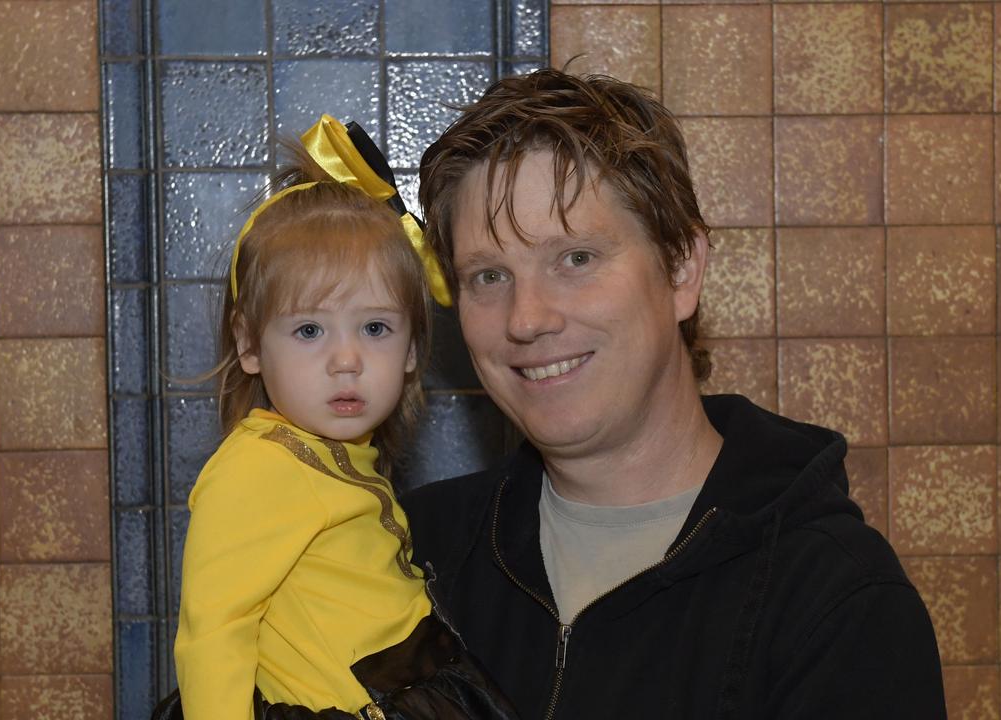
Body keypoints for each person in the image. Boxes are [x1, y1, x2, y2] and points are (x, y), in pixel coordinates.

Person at [401, 69, 947, 718]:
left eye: (575, 259)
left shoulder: (836, 599)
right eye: (489, 275)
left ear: (682, 268)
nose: (527, 318)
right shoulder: (410, 556)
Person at [162, 116, 516, 720]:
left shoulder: (336, 459)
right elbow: (213, 633)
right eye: (309, 330)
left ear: (410, 351)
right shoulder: (259, 469)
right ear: (249, 345)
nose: (347, 360)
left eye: (375, 328)